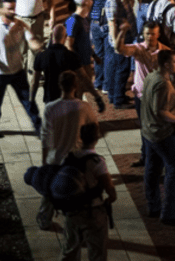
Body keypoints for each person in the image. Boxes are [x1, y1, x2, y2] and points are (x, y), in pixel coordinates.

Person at [36, 70, 98, 231]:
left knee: (49, 191)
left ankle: (44, 219)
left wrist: (44, 162)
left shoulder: (51, 108)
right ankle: (78, 225)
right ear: (76, 86)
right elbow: (93, 130)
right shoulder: (84, 107)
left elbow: (45, 137)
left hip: (55, 157)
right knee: (77, 193)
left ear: (59, 86)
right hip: (76, 158)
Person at [139, 49, 175, 226]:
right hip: (163, 133)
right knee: (174, 171)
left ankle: (153, 206)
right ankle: (169, 212)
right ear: (166, 64)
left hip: (149, 132)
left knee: (152, 170)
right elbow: (161, 111)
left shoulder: (151, 77)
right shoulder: (162, 83)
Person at [0, 1, 41, 138]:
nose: (13, 11)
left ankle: (38, 126)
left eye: (14, 8)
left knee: (28, 99)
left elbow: (31, 39)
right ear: (1, 9)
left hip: (17, 70)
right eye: (9, 9)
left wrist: (36, 45)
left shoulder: (20, 25)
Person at [59, 123, 115, 261]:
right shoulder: (97, 161)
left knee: (70, 250)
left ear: (81, 137)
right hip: (93, 212)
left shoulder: (69, 157)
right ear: (97, 138)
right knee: (97, 252)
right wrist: (109, 199)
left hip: (72, 210)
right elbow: (111, 190)